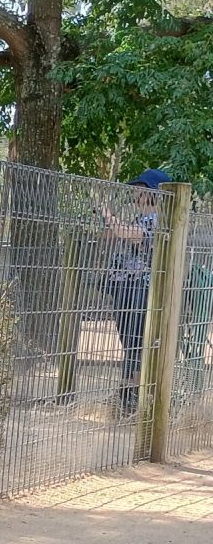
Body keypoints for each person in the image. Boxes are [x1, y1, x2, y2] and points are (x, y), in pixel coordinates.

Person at [99, 169, 169, 416]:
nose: (135, 191)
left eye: (140, 187)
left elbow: (128, 235)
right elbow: (110, 238)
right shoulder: (139, 219)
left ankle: (131, 400)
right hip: (123, 287)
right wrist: (109, 220)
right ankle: (129, 399)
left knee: (135, 344)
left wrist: (109, 214)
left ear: (153, 192)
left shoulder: (156, 220)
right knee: (130, 343)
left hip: (139, 288)